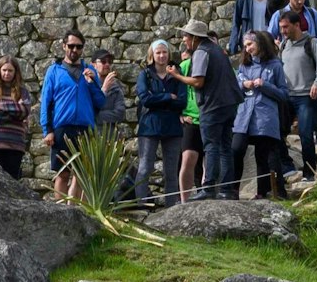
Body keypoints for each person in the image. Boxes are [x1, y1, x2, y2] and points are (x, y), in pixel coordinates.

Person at [169, 20, 237, 200]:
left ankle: (208, 187)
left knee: (211, 145)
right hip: (229, 104)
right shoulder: (217, 50)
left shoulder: (201, 52)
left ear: (194, 38)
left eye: (186, 36)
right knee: (225, 146)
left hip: (213, 105)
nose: (184, 40)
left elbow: (198, 81)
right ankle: (227, 188)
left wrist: (178, 76)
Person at [40, 32, 104, 199]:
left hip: (85, 129)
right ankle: (60, 214)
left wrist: (92, 84)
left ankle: (78, 213)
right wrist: (47, 130)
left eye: (78, 46)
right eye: (71, 46)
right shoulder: (54, 71)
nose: (74, 49)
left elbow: (101, 102)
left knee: (82, 175)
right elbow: (46, 101)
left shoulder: (90, 71)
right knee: (62, 174)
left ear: (83, 48)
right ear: (64, 46)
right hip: (62, 128)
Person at [232, 30, 290, 201]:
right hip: (243, 117)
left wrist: (265, 86)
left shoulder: (275, 65)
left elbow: (284, 95)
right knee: (236, 149)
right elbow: (236, 86)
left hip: (265, 117)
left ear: (260, 43)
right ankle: (233, 189)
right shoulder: (244, 66)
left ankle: (263, 192)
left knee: (263, 156)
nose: (247, 49)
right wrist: (243, 84)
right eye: (245, 46)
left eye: (250, 44)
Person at [274, 10, 317, 182]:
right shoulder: (283, 46)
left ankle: (309, 173)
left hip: (306, 96)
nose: (283, 31)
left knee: (306, 134)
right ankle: (287, 167)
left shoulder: (311, 43)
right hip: (287, 96)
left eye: (285, 27)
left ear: (297, 25)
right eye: (281, 27)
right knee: (277, 132)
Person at [135, 40, 184, 205]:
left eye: (164, 52)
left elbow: (182, 101)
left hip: (172, 126)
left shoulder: (177, 74)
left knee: (171, 171)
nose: (162, 56)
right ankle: (141, 204)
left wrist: (157, 99)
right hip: (150, 125)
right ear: (152, 55)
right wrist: (168, 97)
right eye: (158, 53)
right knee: (145, 168)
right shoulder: (145, 75)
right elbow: (145, 99)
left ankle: (171, 208)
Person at [91, 50, 125, 128]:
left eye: (109, 62)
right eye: (103, 61)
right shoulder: (88, 86)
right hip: (91, 135)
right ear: (94, 65)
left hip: (110, 136)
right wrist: (104, 89)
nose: (107, 64)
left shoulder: (116, 88)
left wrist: (97, 116)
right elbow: (87, 112)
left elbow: (120, 114)